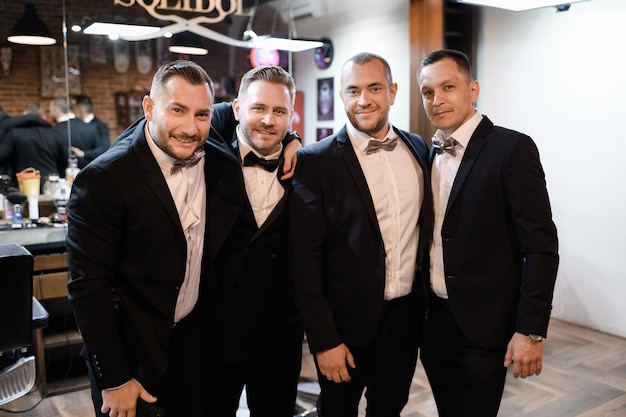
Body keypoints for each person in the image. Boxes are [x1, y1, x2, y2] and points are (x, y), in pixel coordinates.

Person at [67, 60, 215, 417]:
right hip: (131, 357)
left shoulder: (214, 154)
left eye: (202, 114)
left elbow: (254, 118)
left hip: (195, 350)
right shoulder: (105, 177)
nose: (190, 127)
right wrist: (114, 379)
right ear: (149, 107)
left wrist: (291, 138)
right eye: (177, 110)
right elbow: (89, 286)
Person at [416, 49, 559, 417]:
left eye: (448, 86)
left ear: (473, 89)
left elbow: (541, 246)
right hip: (434, 323)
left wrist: (530, 331)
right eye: (428, 92)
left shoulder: (512, 148)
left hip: (485, 324)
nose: (438, 99)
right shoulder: (425, 152)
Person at [289, 52, 432, 417]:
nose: (363, 99)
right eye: (353, 90)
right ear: (341, 97)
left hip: (405, 322)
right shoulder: (315, 161)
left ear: (393, 92)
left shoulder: (418, 148)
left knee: (389, 409)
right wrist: (323, 342)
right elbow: (305, 261)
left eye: (374, 88)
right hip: (344, 328)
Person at [203, 65, 304, 417]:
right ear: (236, 109)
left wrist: (292, 139)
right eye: (258, 108)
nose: (267, 120)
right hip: (213, 335)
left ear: (292, 116)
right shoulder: (207, 157)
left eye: (279, 112)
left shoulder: (307, 170)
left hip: (279, 338)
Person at [0, 102, 66, 191]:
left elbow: (2, 155)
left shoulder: (14, 133)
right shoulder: (55, 134)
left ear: (25, 114)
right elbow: (65, 160)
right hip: (50, 185)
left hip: (23, 185)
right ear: (43, 116)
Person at [50, 97, 99, 168]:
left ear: (57, 110)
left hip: (64, 175)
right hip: (90, 173)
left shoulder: (53, 131)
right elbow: (98, 153)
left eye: (51, 110)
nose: (51, 113)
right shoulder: (91, 128)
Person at [72, 94, 111, 163]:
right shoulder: (75, 125)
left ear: (79, 109)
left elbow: (104, 148)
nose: (73, 112)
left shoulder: (100, 126)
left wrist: (84, 153)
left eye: (73, 108)